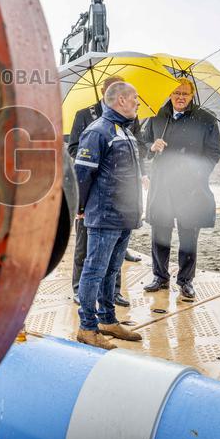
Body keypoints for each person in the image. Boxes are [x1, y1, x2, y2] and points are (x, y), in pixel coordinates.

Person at [73, 82, 145, 350]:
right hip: (105, 216)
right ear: (122, 100)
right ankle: (87, 328)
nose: (138, 102)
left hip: (125, 216)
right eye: (135, 97)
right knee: (93, 272)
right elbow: (82, 175)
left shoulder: (125, 131)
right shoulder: (98, 131)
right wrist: (80, 208)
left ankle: (107, 320)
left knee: (112, 271)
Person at [142, 78, 220, 301]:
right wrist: (152, 146)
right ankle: (160, 277)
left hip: (191, 188)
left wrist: (197, 173)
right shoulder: (157, 115)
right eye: (176, 92)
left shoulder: (206, 119)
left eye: (185, 94)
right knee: (160, 233)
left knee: (188, 235)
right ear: (169, 94)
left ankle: (186, 281)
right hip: (161, 185)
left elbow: (214, 152)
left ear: (192, 94)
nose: (180, 97)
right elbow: (143, 144)